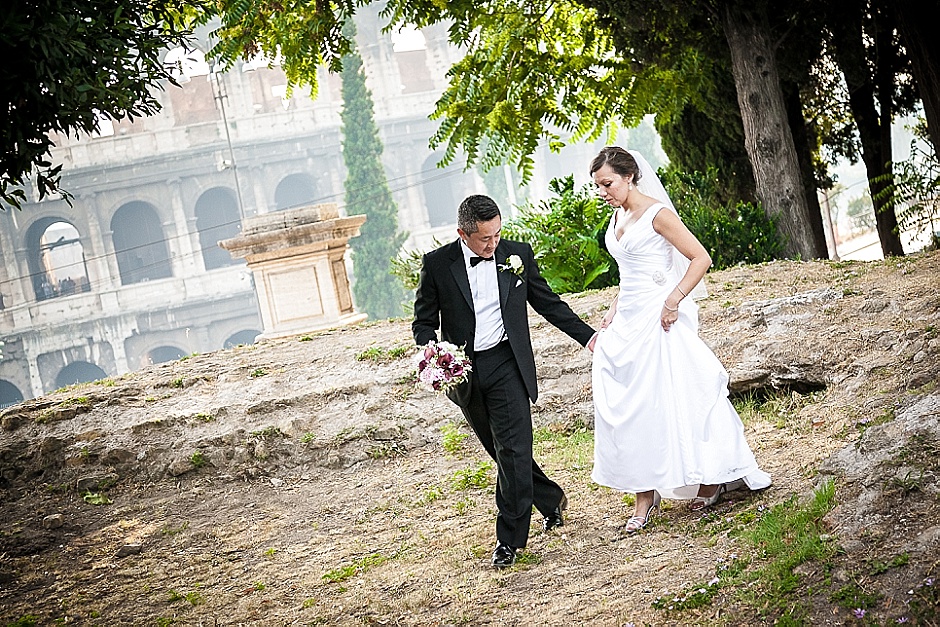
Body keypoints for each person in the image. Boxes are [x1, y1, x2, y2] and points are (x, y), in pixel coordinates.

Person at [589, 147, 771, 535]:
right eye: (599, 186)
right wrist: (614, 307)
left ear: (629, 176)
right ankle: (644, 492)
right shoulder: (617, 215)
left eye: (608, 184)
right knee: (631, 404)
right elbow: (630, 272)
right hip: (629, 316)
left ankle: (710, 475)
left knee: (678, 397)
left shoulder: (658, 215)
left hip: (659, 318)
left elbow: (700, 258)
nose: (604, 191)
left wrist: (673, 300)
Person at [413, 194, 598, 568]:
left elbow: (548, 302)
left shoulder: (518, 255)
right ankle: (550, 497)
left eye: (497, 234)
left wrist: (589, 337)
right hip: (462, 372)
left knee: (512, 450)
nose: (493, 244)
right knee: (502, 451)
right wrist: (433, 353)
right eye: (485, 238)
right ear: (463, 234)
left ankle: (509, 541)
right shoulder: (437, 264)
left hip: (506, 362)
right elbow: (423, 321)